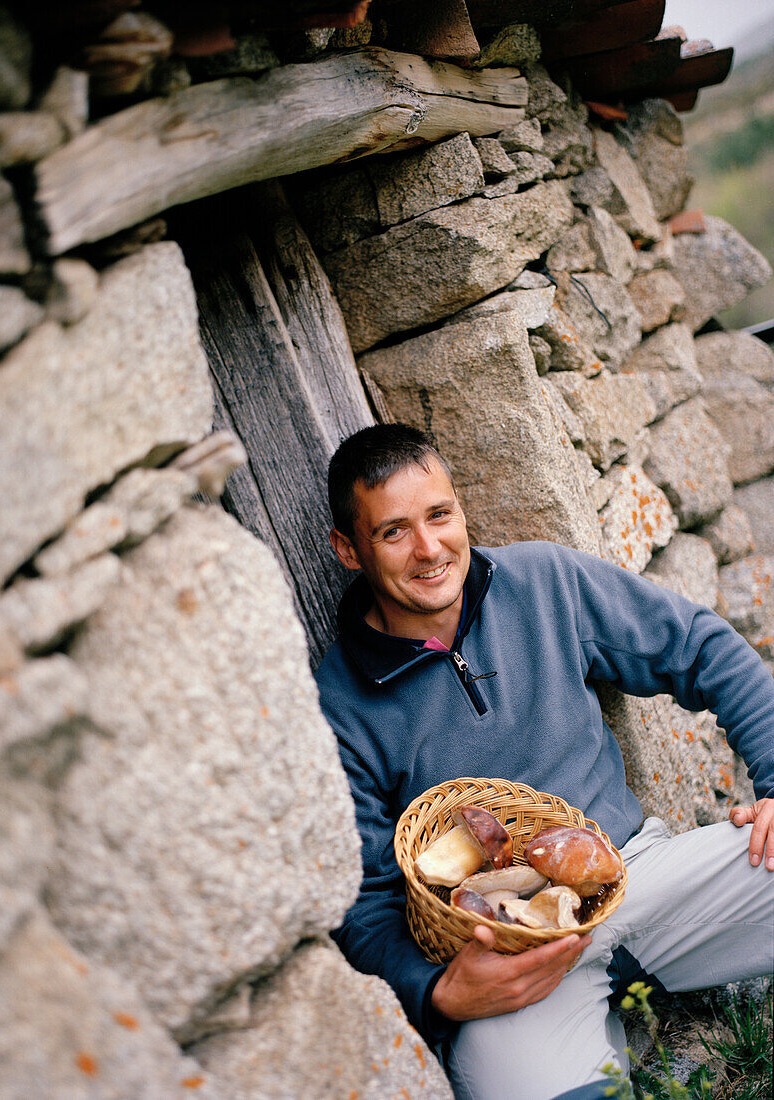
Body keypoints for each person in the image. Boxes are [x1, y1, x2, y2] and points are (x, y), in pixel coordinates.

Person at [314, 423, 774, 1100]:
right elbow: (365, 900)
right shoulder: (337, 703)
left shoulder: (543, 580)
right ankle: (602, 1043)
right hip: (508, 957)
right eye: (393, 532)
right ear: (348, 549)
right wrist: (437, 993)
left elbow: (701, 649)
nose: (428, 548)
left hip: (644, 879)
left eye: (440, 515)